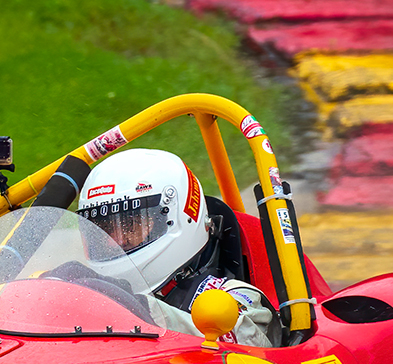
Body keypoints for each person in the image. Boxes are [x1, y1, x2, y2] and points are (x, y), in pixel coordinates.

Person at [73, 148, 277, 345]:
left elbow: (249, 342)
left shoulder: (231, 294)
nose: (112, 241)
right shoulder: (94, 297)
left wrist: (136, 307)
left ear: (179, 217)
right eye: (102, 229)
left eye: (130, 225)